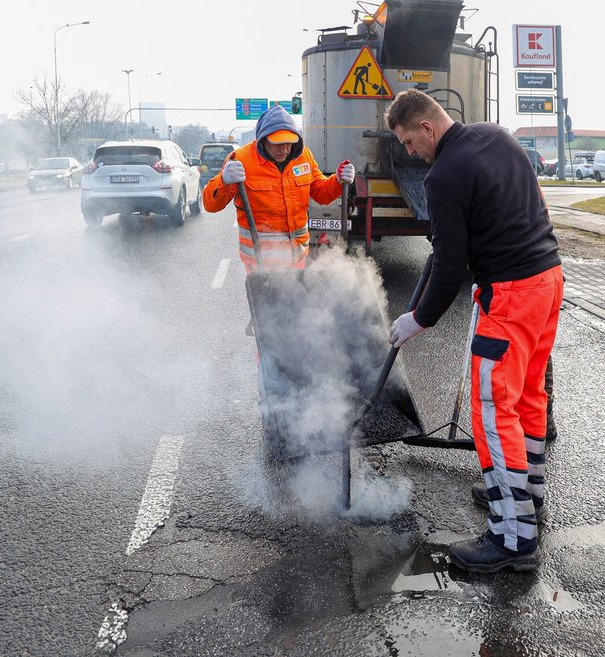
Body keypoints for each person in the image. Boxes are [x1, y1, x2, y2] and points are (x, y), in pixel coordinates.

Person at [385, 89, 564, 574]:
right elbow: (535, 205)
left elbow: (449, 266)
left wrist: (417, 319)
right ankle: (528, 494)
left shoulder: (444, 175)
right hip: (547, 280)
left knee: (491, 411)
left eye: (406, 141)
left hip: (510, 296)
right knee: (527, 396)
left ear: (425, 126)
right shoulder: (498, 137)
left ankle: (512, 537)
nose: (409, 153)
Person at [202, 104, 355, 273]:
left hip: (298, 258)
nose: (284, 149)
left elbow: (320, 193)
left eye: (289, 143)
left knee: (296, 299)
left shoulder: (304, 156)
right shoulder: (241, 160)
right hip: (260, 263)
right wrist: (223, 180)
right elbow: (211, 205)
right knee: (265, 300)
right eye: (277, 144)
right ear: (263, 140)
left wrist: (337, 180)